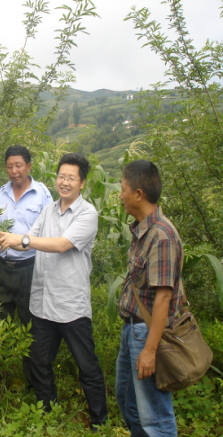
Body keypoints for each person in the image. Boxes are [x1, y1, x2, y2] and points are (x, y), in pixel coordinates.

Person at [0, 153, 108, 431]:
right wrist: (7, 241)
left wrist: (21, 239)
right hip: (42, 303)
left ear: (82, 182)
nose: (65, 182)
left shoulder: (87, 214)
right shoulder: (48, 210)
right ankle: (48, 410)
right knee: (39, 361)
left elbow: (60, 244)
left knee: (87, 366)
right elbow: (30, 241)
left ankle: (99, 421)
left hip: (70, 305)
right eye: (61, 176)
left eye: (71, 178)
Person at [116, 160, 184, 436]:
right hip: (132, 330)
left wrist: (150, 350)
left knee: (155, 415)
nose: (120, 195)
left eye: (123, 189)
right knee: (129, 402)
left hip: (146, 334)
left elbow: (163, 299)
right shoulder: (141, 229)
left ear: (139, 194)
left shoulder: (162, 236)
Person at [0, 145, 52, 384]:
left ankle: (35, 385)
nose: (14, 171)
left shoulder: (42, 194)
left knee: (31, 328)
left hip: (29, 270)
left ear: (29, 166)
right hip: (3, 269)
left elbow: (50, 233)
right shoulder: (1, 193)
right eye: (10, 166)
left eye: (19, 165)